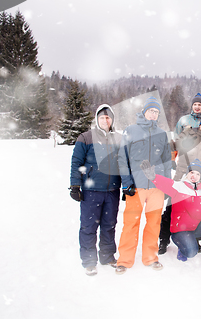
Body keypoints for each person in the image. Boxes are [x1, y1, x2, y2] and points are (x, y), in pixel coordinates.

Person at [141, 159, 201, 269]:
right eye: (191, 172)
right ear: (187, 173)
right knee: (191, 252)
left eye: (197, 174)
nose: (194, 176)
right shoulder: (178, 187)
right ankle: (182, 247)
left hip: (196, 227)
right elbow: (165, 183)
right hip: (180, 230)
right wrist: (153, 177)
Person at [116, 96, 172, 274]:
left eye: (156, 112)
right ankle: (124, 260)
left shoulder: (162, 134)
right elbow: (122, 159)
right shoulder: (131, 130)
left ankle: (150, 257)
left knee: (154, 223)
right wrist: (127, 183)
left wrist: (167, 185)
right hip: (136, 187)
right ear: (144, 111)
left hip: (156, 188)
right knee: (131, 223)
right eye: (151, 111)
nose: (153, 114)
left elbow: (167, 162)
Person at [158, 109, 201, 254]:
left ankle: (194, 240)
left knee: (196, 215)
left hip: (199, 186)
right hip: (181, 181)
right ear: (200, 124)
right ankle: (163, 240)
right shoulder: (187, 133)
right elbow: (174, 145)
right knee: (170, 211)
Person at [69, 104, 121, 276]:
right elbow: (76, 162)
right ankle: (89, 261)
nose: (105, 120)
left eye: (108, 117)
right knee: (89, 226)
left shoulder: (119, 139)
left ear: (112, 120)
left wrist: (129, 184)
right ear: (96, 119)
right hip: (91, 191)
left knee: (109, 225)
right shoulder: (86, 137)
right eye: (101, 117)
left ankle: (107, 256)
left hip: (112, 190)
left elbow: (126, 164)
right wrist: (75, 185)